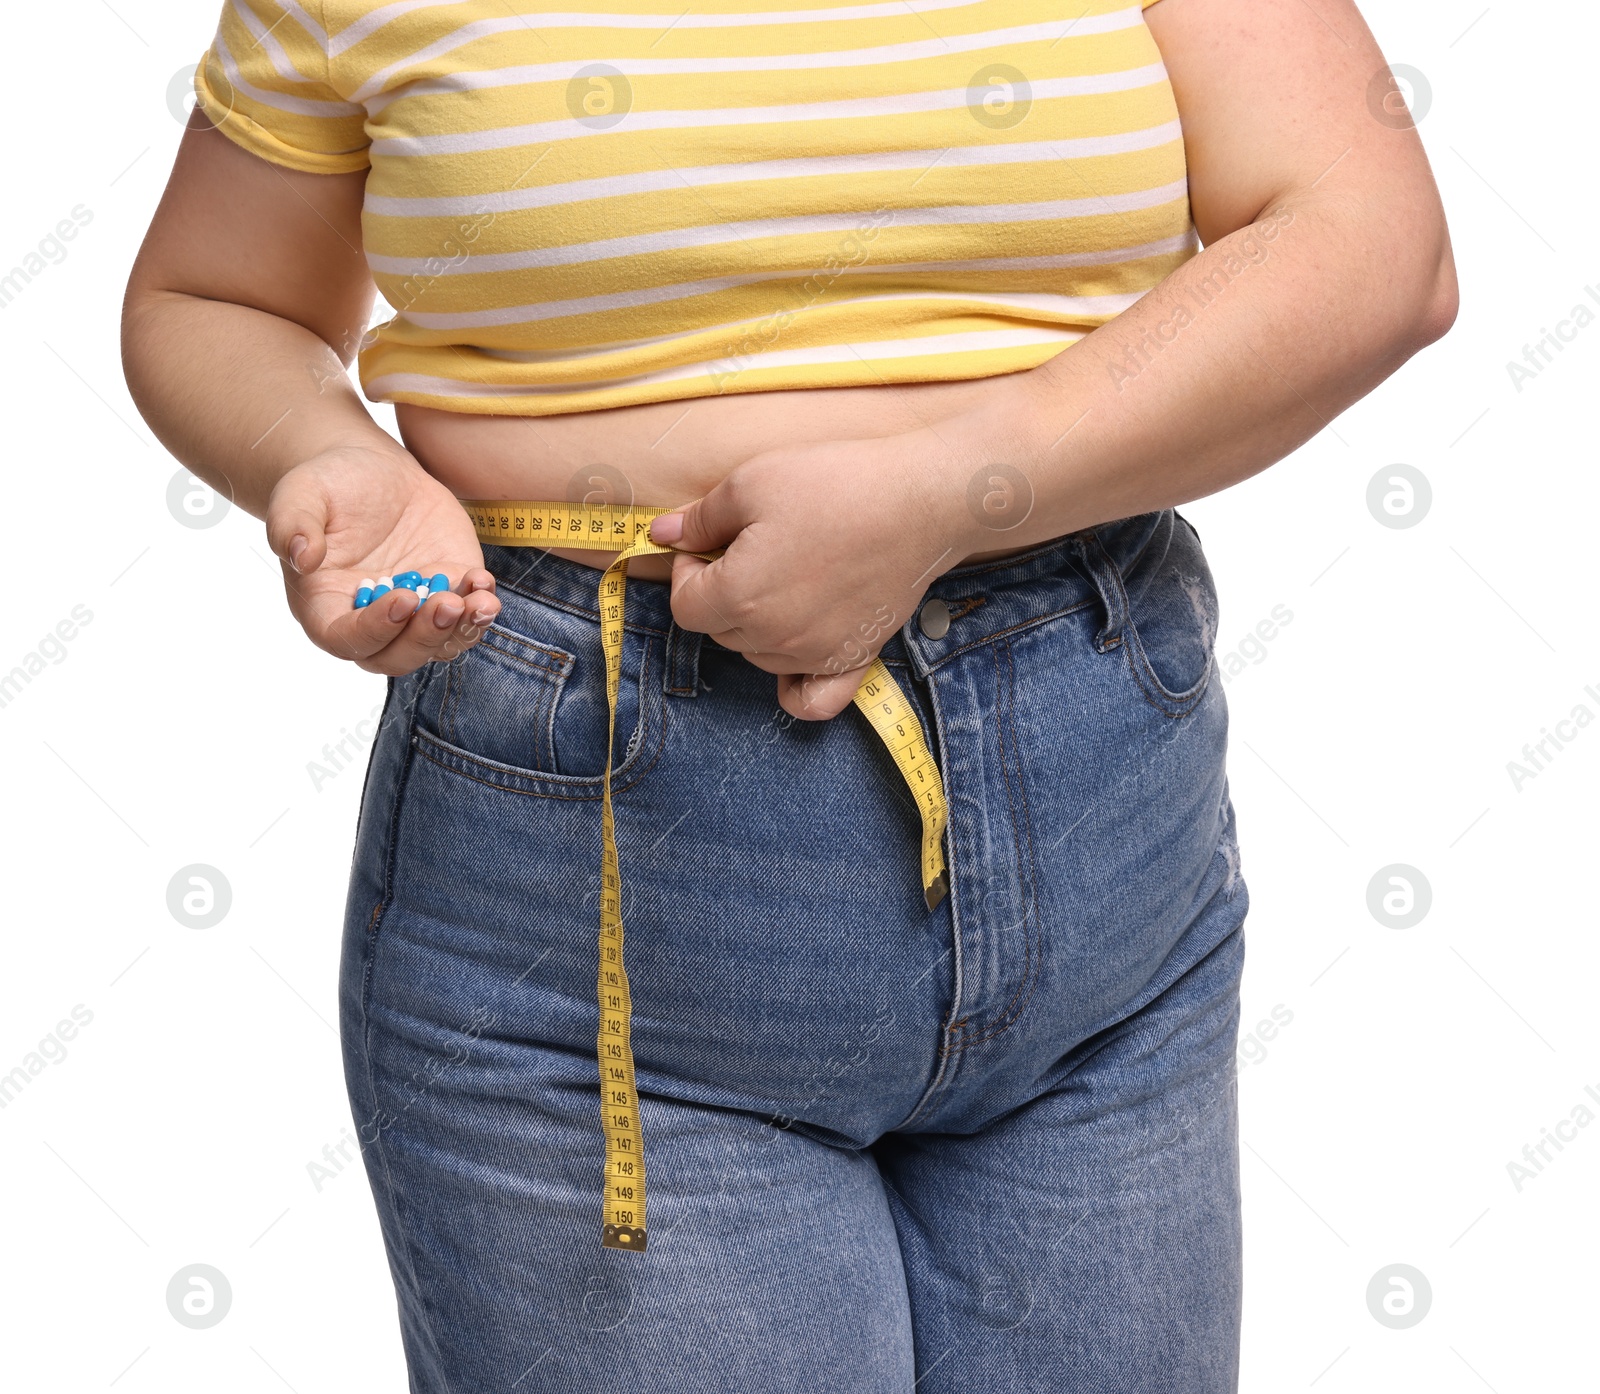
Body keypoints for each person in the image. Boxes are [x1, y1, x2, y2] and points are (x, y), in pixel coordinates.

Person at [122, 0, 1456, 1388]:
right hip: (595, 896)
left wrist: (958, 484)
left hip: (1107, 863)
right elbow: (218, 296)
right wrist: (327, 460)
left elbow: (1371, 240)